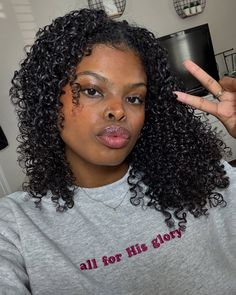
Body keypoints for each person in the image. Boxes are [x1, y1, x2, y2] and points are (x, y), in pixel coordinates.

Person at [0, 8, 235, 295]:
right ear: (49, 99)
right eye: (93, 90)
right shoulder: (15, 226)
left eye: (134, 97)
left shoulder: (206, 177)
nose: (118, 111)